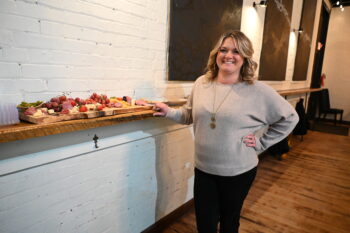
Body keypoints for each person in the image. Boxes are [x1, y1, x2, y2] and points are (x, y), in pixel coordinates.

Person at [154, 30, 299, 233]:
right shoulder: (201, 83)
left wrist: (261, 143)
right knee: (205, 225)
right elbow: (188, 115)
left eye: (236, 51)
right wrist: (168, 111)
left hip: (238, 172)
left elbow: (290, 117)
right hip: (204, 169)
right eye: (223, 50)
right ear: (216, 54)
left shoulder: (257, 90)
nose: (228, 55)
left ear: (245, 58)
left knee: (229, 223)